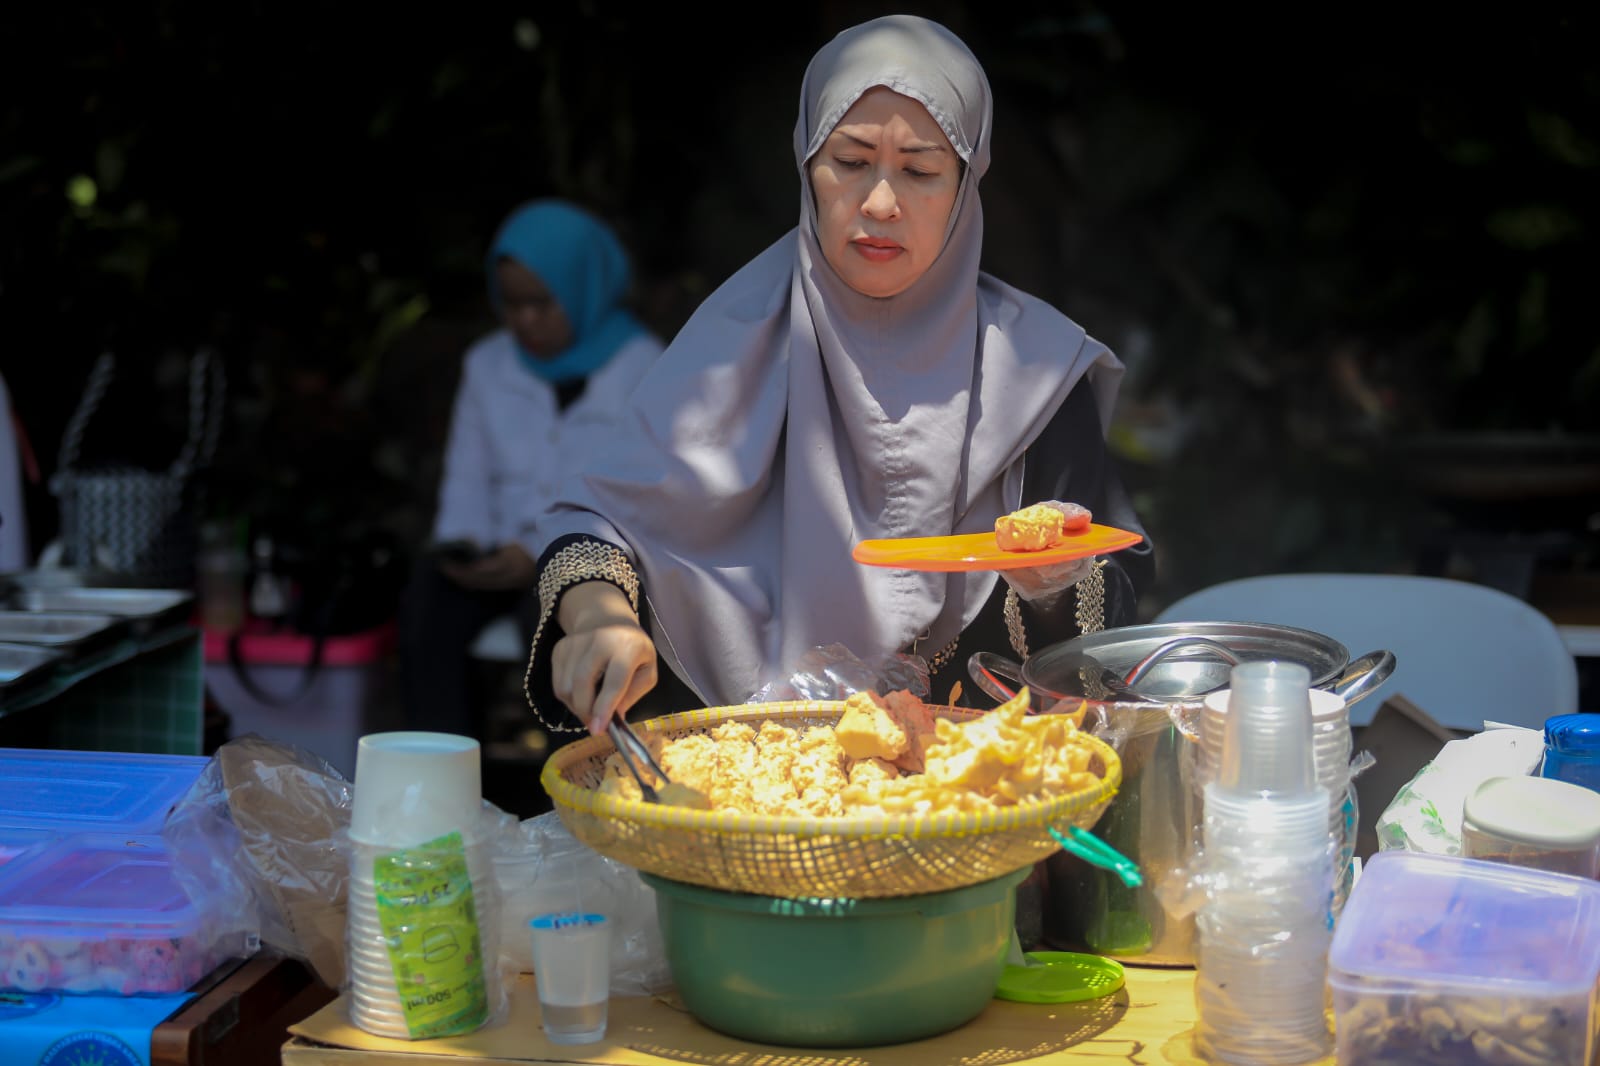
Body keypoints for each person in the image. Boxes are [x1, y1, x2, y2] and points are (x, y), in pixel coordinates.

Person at [524, 15, 1156, 737]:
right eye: (850, 161)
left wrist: (1053, 590)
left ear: (965, 186)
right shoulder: (732, 348)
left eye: (920, 171)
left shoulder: (1037, 371)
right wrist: (598, 611)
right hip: (762, 794)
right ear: (805, 165)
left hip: (978, 789)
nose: (880, 203)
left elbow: (1101, 611)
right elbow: (593, 526)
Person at [398, 199, 665, 739]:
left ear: (583, 290)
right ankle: (441, 775)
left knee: (554, 626)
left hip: (591, 562)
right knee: (428, 604)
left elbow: (643, 493)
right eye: (512, 304)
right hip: (496, 557)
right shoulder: (487, 364)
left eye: (543, 303)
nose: (526, 320)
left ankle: (574, 783)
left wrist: (538, 553)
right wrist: (465, 549)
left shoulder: (644, 363)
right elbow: (466, 477)